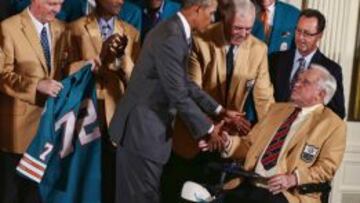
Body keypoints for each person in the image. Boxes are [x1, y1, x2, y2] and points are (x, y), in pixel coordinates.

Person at [107, 0, 243, 201]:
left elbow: (183, 82)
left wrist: (219, 110)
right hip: (142, 134)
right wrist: (209, 130)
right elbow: (178, 93)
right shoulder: (171, 36)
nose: (213, 19)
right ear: (197, 9)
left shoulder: (176, 30)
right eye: (212, 13)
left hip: (147, 133)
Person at [164, 0, 274, 201]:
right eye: (238, 28)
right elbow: (192, 91)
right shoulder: (200, 40)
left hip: (228, 144)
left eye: (249, 29)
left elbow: (264, 100)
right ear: (225, 19)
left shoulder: (259, 50)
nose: (243, 34)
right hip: (194, 137)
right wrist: (214, 125)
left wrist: (271, 137)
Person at [221, 66, 346, 203]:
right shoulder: (276, 110)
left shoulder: (333, 125)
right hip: (249, 183)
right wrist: (228, 143)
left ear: (320, 95)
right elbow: (249, 145)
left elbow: (326, 168)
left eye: (305, 82)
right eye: (298, 79)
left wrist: (293, 178)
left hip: (286, 193)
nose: (296, 83)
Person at [66, 0, 140, 202]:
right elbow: (65, 72)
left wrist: (124, 62)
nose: (120, 1)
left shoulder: (131, 33)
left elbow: (136, 81)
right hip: (85, 109)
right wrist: (96, 62)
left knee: (112, 175)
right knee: (84, 173)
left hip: (117, 111)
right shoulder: (74, 28)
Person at [0, 0, 67, 202]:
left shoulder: (62, 28)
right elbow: (3, 75)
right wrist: (36, 85)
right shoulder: (7, 28)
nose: (57, 9)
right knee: (12, 195)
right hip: (18, 134)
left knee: (38, 196)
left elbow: (65, 69)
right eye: (51, 3)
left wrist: (87, 65)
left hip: (49, 132)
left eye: (60, 4)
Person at [269, 9, 345, 119]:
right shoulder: (275, 59)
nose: (300, 38)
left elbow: (337, 113)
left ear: (320, 35)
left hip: (307, 132)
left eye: (307, 34)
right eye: (298, 31)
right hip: (274, 126)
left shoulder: (332, 69)